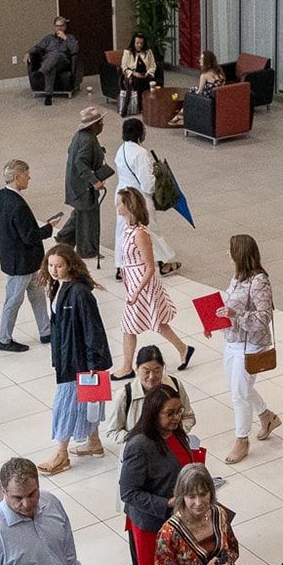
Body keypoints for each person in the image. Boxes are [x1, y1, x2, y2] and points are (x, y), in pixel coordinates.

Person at [121, 384, 193, 565]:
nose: (176, 418)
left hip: (177, 520)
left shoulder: (177, 435)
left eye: (179, 412)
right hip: (151, 524)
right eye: (169, 413)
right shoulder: (139, 445)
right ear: (154, 413)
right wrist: (166, 503)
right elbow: (129, 493)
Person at [43, 243, 114, 474]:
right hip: (67, 355)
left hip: (79, 360)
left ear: (70, 265)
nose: (54, 270)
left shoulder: (79, 293)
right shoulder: (58, 287)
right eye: (51, 265)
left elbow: (92, 328)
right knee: (86, 402)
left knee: (66, 404)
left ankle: (61, 453)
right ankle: (94, 443)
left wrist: (94, 363)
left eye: (59, 265)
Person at [112, 188, 194, 373]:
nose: (116, 206)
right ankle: (183, 349)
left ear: (129, 206)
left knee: (129, 325)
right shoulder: (128, 229)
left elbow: (150, 267)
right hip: (135, 283)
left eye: (119, 203)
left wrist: (136, 290)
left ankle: (127, 366)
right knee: (155, 321)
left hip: (142, 285)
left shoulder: (140, 234)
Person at [216, 234, 280, 465]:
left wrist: (236, 315)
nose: (228, 254)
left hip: (251, 344)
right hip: (233, 341)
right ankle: (266, 416)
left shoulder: (259, 281)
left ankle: (241, 440)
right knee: (237, 387)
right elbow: (228, 306)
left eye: (231, 250)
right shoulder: (237, 278)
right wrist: (214, 322)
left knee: (239, 393)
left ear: (239, 254)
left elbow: (264, 317)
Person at [0, 159, 58, 352]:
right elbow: (30, 237)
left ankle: (46, 331)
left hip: (18, 259)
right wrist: (49, 228)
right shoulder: (17, 205)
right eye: (27, 175)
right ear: (17, 177)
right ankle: (4, 339)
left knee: (37, 295)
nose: (29, 178)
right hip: (21, 263)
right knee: (13, 300)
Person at [113, 118, 178, 275]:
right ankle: (165, 262)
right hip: (138, 197)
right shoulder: (140, 153)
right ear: (139, 133)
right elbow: (147, 183)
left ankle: (120, 266)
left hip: (121, 195)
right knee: (150, 229)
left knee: (123, 229)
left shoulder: (121, 149)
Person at [105, 345, 196, 446]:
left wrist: (174, 432)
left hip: (171, 449)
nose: (152, 377)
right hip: (139, 454)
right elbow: (113, 431)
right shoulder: (124, 395)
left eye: (157, 371)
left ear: (163, 367)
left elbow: (189, 417)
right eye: (146, 371)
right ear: (137, 369)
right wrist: (138, 439)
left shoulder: (175, 385)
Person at [61, 106, 109, 258]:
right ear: (93, 125)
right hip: (83, 187)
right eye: (100, 122)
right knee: (89, 218)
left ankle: (64, 238)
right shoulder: (88, 140)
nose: (102, 125)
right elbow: (80, 161)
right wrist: (94, 181)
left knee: (80, 213)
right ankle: (87, 251)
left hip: (76, 184)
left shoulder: (80, 136)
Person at [30, 17, 80, 104]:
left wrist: (65, 38)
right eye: (57, 26)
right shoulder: (49, 38)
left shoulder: (70, 37)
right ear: (54, 27)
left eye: (61, 26)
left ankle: (41, 72)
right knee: (51, 67)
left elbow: (75, 49)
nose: (59, 28)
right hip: (49, 62)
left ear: (65, 27)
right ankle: (48, 96)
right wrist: (28, 52)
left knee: (56, 54)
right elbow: (38, 47)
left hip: (63, 62)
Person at [120, 32, 159, 114]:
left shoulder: (148, 52)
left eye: (141, 43)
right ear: (133, 42)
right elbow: (124, 66)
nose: (139, 45)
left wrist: (148, 73)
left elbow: (153, 65)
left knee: (153, 82)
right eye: (137, 43)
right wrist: (134, 74)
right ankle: (140, 106)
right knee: (138, 82)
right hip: (134, 75)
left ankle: (152, 105)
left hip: (146, 74)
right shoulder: (128, 52)